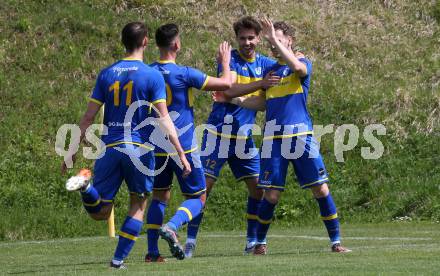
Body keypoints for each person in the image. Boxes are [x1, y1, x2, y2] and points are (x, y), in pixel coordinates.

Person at [213, 18, 351, 254]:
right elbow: (263, 103)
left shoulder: (301, 62)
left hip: (301, 137)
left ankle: (336, 241)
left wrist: (274, 39)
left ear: (290, 40)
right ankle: (259, 244)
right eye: (271, 41)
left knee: (320, 188)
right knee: (272, 194)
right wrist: (235, 99)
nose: (273, 45)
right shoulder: (270, 71)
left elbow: (298, 68)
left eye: (278, 39)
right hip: (273, 140)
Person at [61, 22, 191, 269]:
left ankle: (86, 188)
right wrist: (181, 154)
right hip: (139, 148)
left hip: (111, 147)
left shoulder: (107, 73)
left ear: (123, 41)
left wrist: (71, 152)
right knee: (138, 203)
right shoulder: (151, 75)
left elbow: (88, 117)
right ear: (145, 42)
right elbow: (164, 119)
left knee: (100, 211)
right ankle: (118, 260)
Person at [184, 16, 281, 256]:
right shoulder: (229, 61)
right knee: (202, 191)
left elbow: (281, 74)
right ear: (236, 39)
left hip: (244, 139)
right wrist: (260, 84)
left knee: (258, 189)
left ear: (258, 38)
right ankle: (189, 242)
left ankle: (251, 241)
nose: (247, 42)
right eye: (242, 38)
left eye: (251, 38)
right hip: (218, 134)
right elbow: (228, 88)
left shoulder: (267, 64)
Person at [145, 23, 232, 261]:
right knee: (198, 198)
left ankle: (152, 253)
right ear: (176, 44)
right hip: (183, 145)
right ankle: (172, 226)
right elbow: (226, 84)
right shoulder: (184, 73)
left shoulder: (147, 72)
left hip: (157, 146)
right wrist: (225, 61)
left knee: (159, 196)